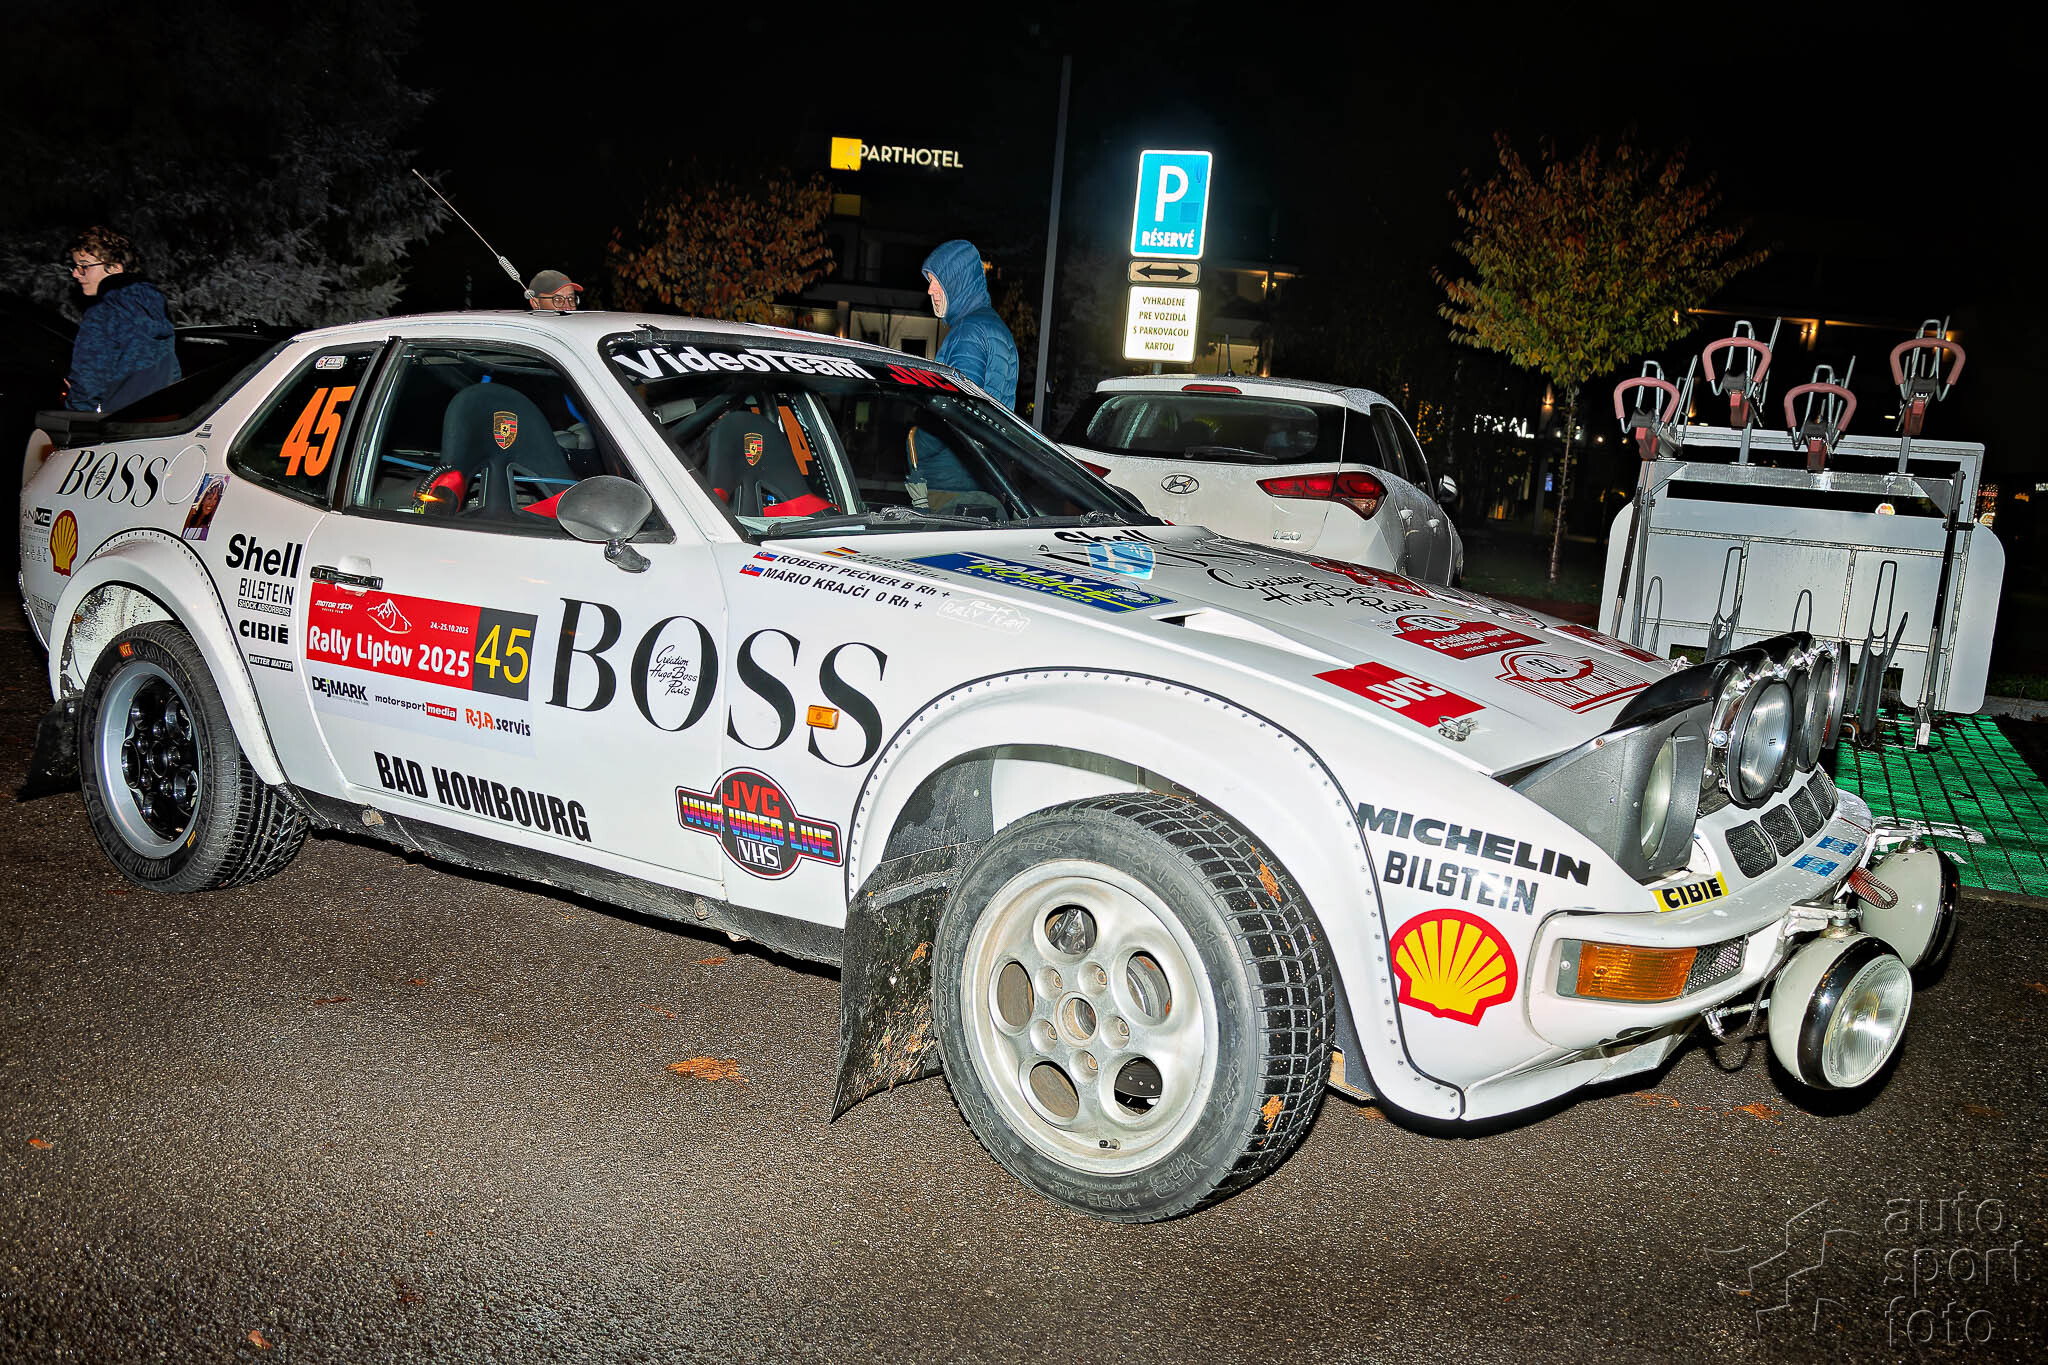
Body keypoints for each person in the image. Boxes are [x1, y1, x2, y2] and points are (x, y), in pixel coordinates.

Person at [907, 239, 1018, 509]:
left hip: (951, 486)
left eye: (937, 281)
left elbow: (956, 411)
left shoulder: (968, 333)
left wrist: (917, 446)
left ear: (959, 281)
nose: (930, 289)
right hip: (984, 479)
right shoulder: (994, 328)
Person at [63, 226, 179, 413]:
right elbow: (172, 373)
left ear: (115, 267)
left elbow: (87, 383)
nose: (75, 273)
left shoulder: (103, 312)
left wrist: (75, 415)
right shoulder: (155, 308)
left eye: (84, 266)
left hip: (115, 424)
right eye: (75, 266)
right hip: (156, 419)